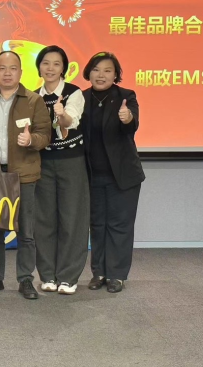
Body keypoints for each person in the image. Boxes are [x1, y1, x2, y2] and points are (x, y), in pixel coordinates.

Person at [0, 50, 51, 299]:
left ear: (21, 71)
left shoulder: (34, 100)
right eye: (2, 68)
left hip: (24, 174)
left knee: (26, 231)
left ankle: (25, 279)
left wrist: (31, 140)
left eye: (13, 68)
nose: (7, 73)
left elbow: (45, 136)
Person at [81, 51, 145, 293]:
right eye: (96, 69)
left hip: (123, 175)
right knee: (97, 224)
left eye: (107, 70)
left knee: (120, 225)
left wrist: (127, 118)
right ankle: (98, 272)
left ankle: (117, 275)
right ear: (89, 72)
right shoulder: (81, 98)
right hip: (91, 174)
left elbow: (132, 125)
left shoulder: (126, 96)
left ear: (115, 74)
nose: (101, 75)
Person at [33, 45, 90, 295]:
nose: (50, 68)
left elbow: (71, 121)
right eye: (46, 63)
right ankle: (47, 274)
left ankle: (68, 276)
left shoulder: (73, 92)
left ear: (64, 68)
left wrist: (61, 114)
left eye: (56, 64)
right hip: (42, 162)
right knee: (44, 219)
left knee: (72, 218)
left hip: (71, 161)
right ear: (39, 67)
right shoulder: (33, 96)